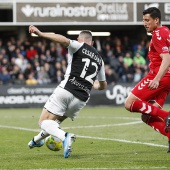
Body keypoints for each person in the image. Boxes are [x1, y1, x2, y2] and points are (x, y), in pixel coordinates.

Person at [27, 25, 107, 158]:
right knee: (54, 122)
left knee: (43, 122)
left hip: (67, 89)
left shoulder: (79, 45)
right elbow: (103, 86)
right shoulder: (100, 60)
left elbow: (63, 40)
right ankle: (36, 140)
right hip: (81, 98)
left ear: (79, 39)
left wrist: (41, 34)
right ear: (92, 42)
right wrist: (94, 84)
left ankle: (65, 137)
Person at [124, 7, 170, 152]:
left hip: (160, 76)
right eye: (143, 20)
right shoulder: (166, 31)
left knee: (129, 103)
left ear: (156, 20)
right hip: (167, 78)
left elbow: (167, 58)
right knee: (147, 116)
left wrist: (157, 78)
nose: (144, 23)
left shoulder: (157, 34)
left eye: (147, 20)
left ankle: (167, 115)